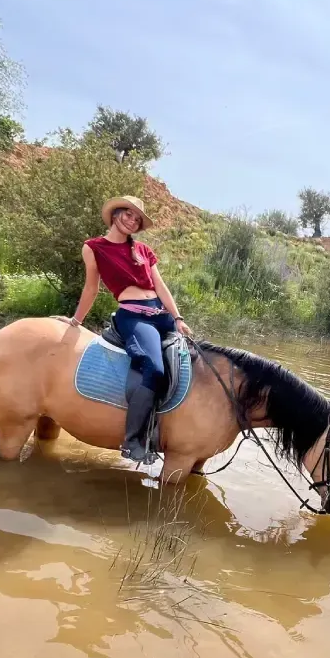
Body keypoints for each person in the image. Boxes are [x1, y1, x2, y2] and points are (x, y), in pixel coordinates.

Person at [65, 195, 192, 462]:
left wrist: (178, 318)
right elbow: (91, 288)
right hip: (134, 317)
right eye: (128, 214)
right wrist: (76, 321)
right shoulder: (94, 248)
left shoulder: (144, 251)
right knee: (154, 369)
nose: (132, 221)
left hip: (161, 314)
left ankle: (180, 429)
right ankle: (133, 440)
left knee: (194, 359)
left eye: (137, 219)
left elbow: (160, 287)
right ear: (115, 214)